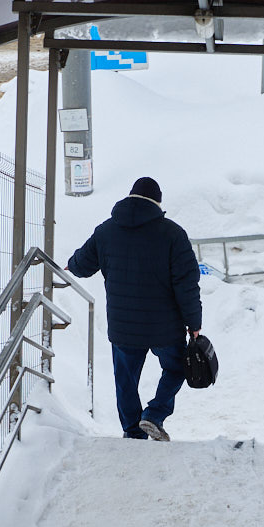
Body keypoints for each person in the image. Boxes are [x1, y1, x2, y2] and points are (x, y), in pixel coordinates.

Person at [67, 177, 202, 441]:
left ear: (129, 197)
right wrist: (194, 324)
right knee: (176, 368)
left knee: (125, 379)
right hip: (165, 326)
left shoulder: (106, 231)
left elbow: (82, 265)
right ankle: (154, 415)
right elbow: (187, 284)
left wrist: (70, 264)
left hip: (123, 327)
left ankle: (132, 431)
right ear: (157, 203)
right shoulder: (173, 234)